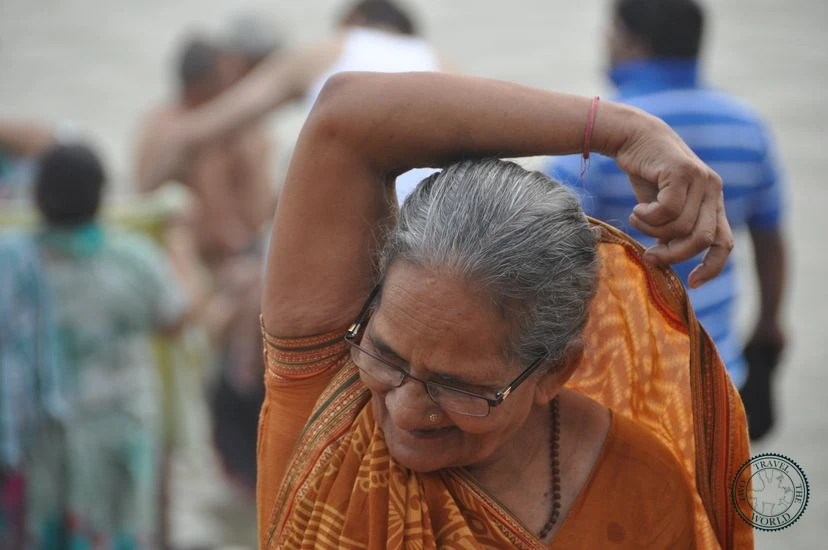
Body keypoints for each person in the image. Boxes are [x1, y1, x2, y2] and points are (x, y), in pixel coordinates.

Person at [226, 71, 750, 548]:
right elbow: (348, 114)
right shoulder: (327, 382)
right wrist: (622, 132)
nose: (404, 410)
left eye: (456, 386)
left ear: (555, 370)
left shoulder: (640, 489)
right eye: (385, 357)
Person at [545, 0, 787, 439]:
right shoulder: (747, 128)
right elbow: (770, 242)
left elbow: (548, 258)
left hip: (621, 388)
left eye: (611, 35)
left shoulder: (594, 141)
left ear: (631, 42)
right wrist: (768, 324)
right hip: (719, 372)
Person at [19, 143, 192, 547]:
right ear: (101, 196)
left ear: (38, 196)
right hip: (120, 427)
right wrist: (179, 238)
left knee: (44, 527)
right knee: (120, 529)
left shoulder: (16, 262)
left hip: (39, 431)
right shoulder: (132, 260)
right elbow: (177, 317)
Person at [138, 0, 450, 202]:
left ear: (353, 19)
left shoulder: (325, 49)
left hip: (354, 224)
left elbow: (201, 129)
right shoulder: (443, 63)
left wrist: (144, 189)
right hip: (437, 223)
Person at [134, 35, 275, 267]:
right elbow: (218, 212)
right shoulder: (195, 135)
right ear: (202, 87)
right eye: (225, 81)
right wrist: (245, 247)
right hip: (210, 259)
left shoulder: (162, 122)